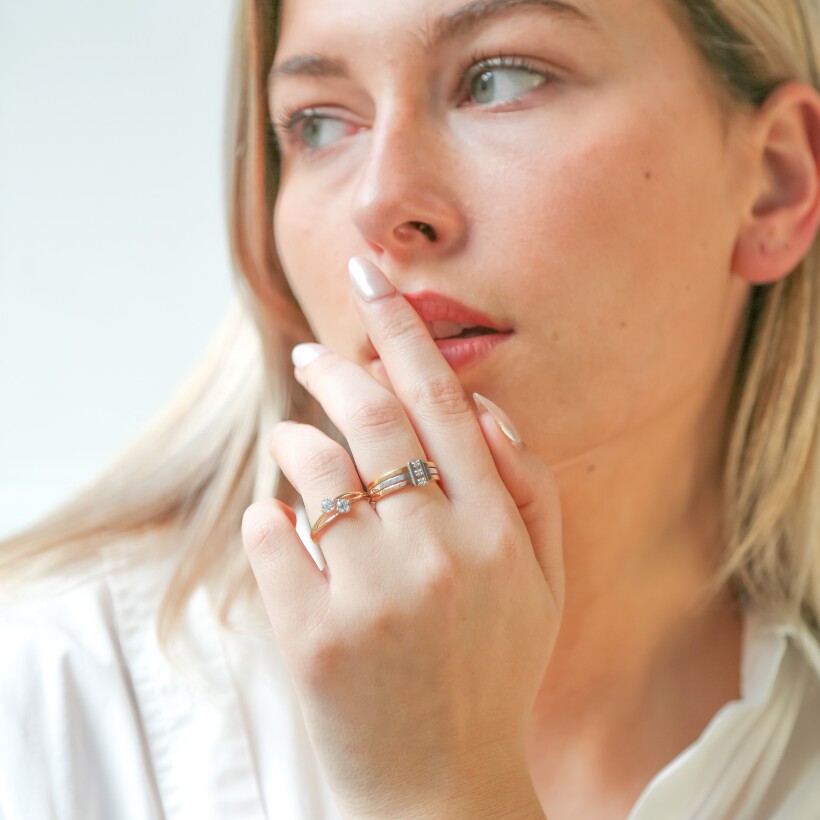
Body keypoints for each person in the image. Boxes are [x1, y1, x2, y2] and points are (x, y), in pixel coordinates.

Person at [2, 0, 820, 817]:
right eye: (319, 125)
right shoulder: (49, 696)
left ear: (774, 183)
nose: (382, 202)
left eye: (501, 80)